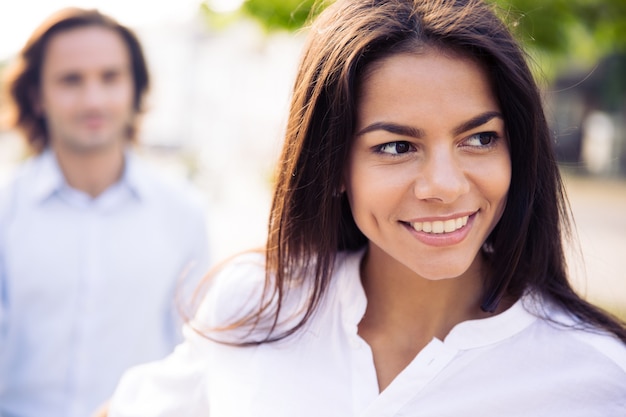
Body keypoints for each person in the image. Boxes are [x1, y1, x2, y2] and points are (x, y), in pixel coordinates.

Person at [106, 0, 626, 415]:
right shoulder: (254, 305)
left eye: (481, 138)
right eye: (396, 147)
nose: (443, 185)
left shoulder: (598, 380)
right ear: (330, 164)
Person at [0, 8, 211, 417]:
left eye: (110, 77)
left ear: (136, 89)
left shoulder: (183, 213)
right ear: (36, 96)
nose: (93, 99)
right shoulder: (4, 210)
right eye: (71, 80)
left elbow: (196, 358)